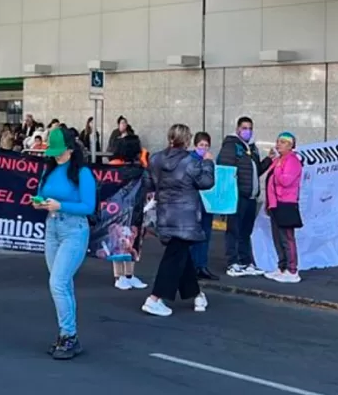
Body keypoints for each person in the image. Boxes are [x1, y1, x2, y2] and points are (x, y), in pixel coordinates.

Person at [32, 126, 96, 360]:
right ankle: (68, 334)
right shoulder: (48, 170)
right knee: (62, 283)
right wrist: (39, 203)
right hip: (53, 227)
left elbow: (89, 206)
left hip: (74, 230)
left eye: (59, 151)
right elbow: (40, 193)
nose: (55, 155)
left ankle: (68, 334)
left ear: (70, 149)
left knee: (58, 282)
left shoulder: (83, 173)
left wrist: (61, 206)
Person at [142, 123, 215, 318]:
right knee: (175, 256)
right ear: (187, 140)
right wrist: (208, 163)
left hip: (165, 213)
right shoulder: (191, 162)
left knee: (180, 253)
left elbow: (148, 183)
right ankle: (155, 298)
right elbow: (206, 183)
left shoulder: (156, 159)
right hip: (186, 216)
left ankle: (197, 294)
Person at [217, 116, 271, 278]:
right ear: (238, 129)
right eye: (244, 128)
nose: (247, 131)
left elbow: (256, 171)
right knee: (234, 230)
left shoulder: (252, 148)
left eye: (250, 128)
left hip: (251, 196)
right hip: (237, 196)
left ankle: (246, 261)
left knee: (246, 231)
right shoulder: (231, 146)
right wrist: (228, 195)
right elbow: (225, 171)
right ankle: (232, 262)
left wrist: (269, 160)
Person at [106, 134, 150, 290]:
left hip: (121, 208)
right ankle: (121, 276)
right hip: (127, 208)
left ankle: (127, 275)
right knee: (124, 241)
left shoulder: (115, 165)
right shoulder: (131, 167)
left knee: (127, 240)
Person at [262, 132, 303, 283]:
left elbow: (285, 181)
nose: (279, 144)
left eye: (283, 142)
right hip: (275, 204)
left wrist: (278, 169)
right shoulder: (279, 160)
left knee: (287, 238)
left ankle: (292, 270)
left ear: (291, 145)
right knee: (278, 238)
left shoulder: (292, 160)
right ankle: (282, 267)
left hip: (286, 203)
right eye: (278, 141)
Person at [189, 132, 219, 280]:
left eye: (206, 145)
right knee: (194, 235)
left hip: (207, 202)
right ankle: (192, 265)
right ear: (195, 146)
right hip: (195, 203)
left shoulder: (209, 160)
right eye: (201, 145)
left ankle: (202, 265)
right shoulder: (191, 160)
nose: (204, 148)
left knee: (206, 234)